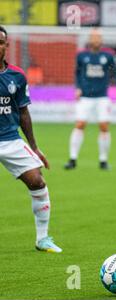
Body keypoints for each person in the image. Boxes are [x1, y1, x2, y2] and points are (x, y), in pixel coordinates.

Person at [0, 26, 62, 253]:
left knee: (37, 181)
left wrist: (34, 147)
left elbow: (24, 113)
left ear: (6, 46)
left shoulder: (16, 76)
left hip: (10, 140)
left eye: (1, 42)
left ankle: (42, 239)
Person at [64, 28, 116, 171]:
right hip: (85, 97)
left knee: (104, 126)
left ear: (101, 40)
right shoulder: (81, 56)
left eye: (98, 37)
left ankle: (103, 160)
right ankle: (72, 159)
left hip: (102, 97)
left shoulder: (108, 56)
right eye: (94, 37)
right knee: (80, 124)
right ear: (90, 40)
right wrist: (77, 88)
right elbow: (77, 73)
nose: (96, 40)